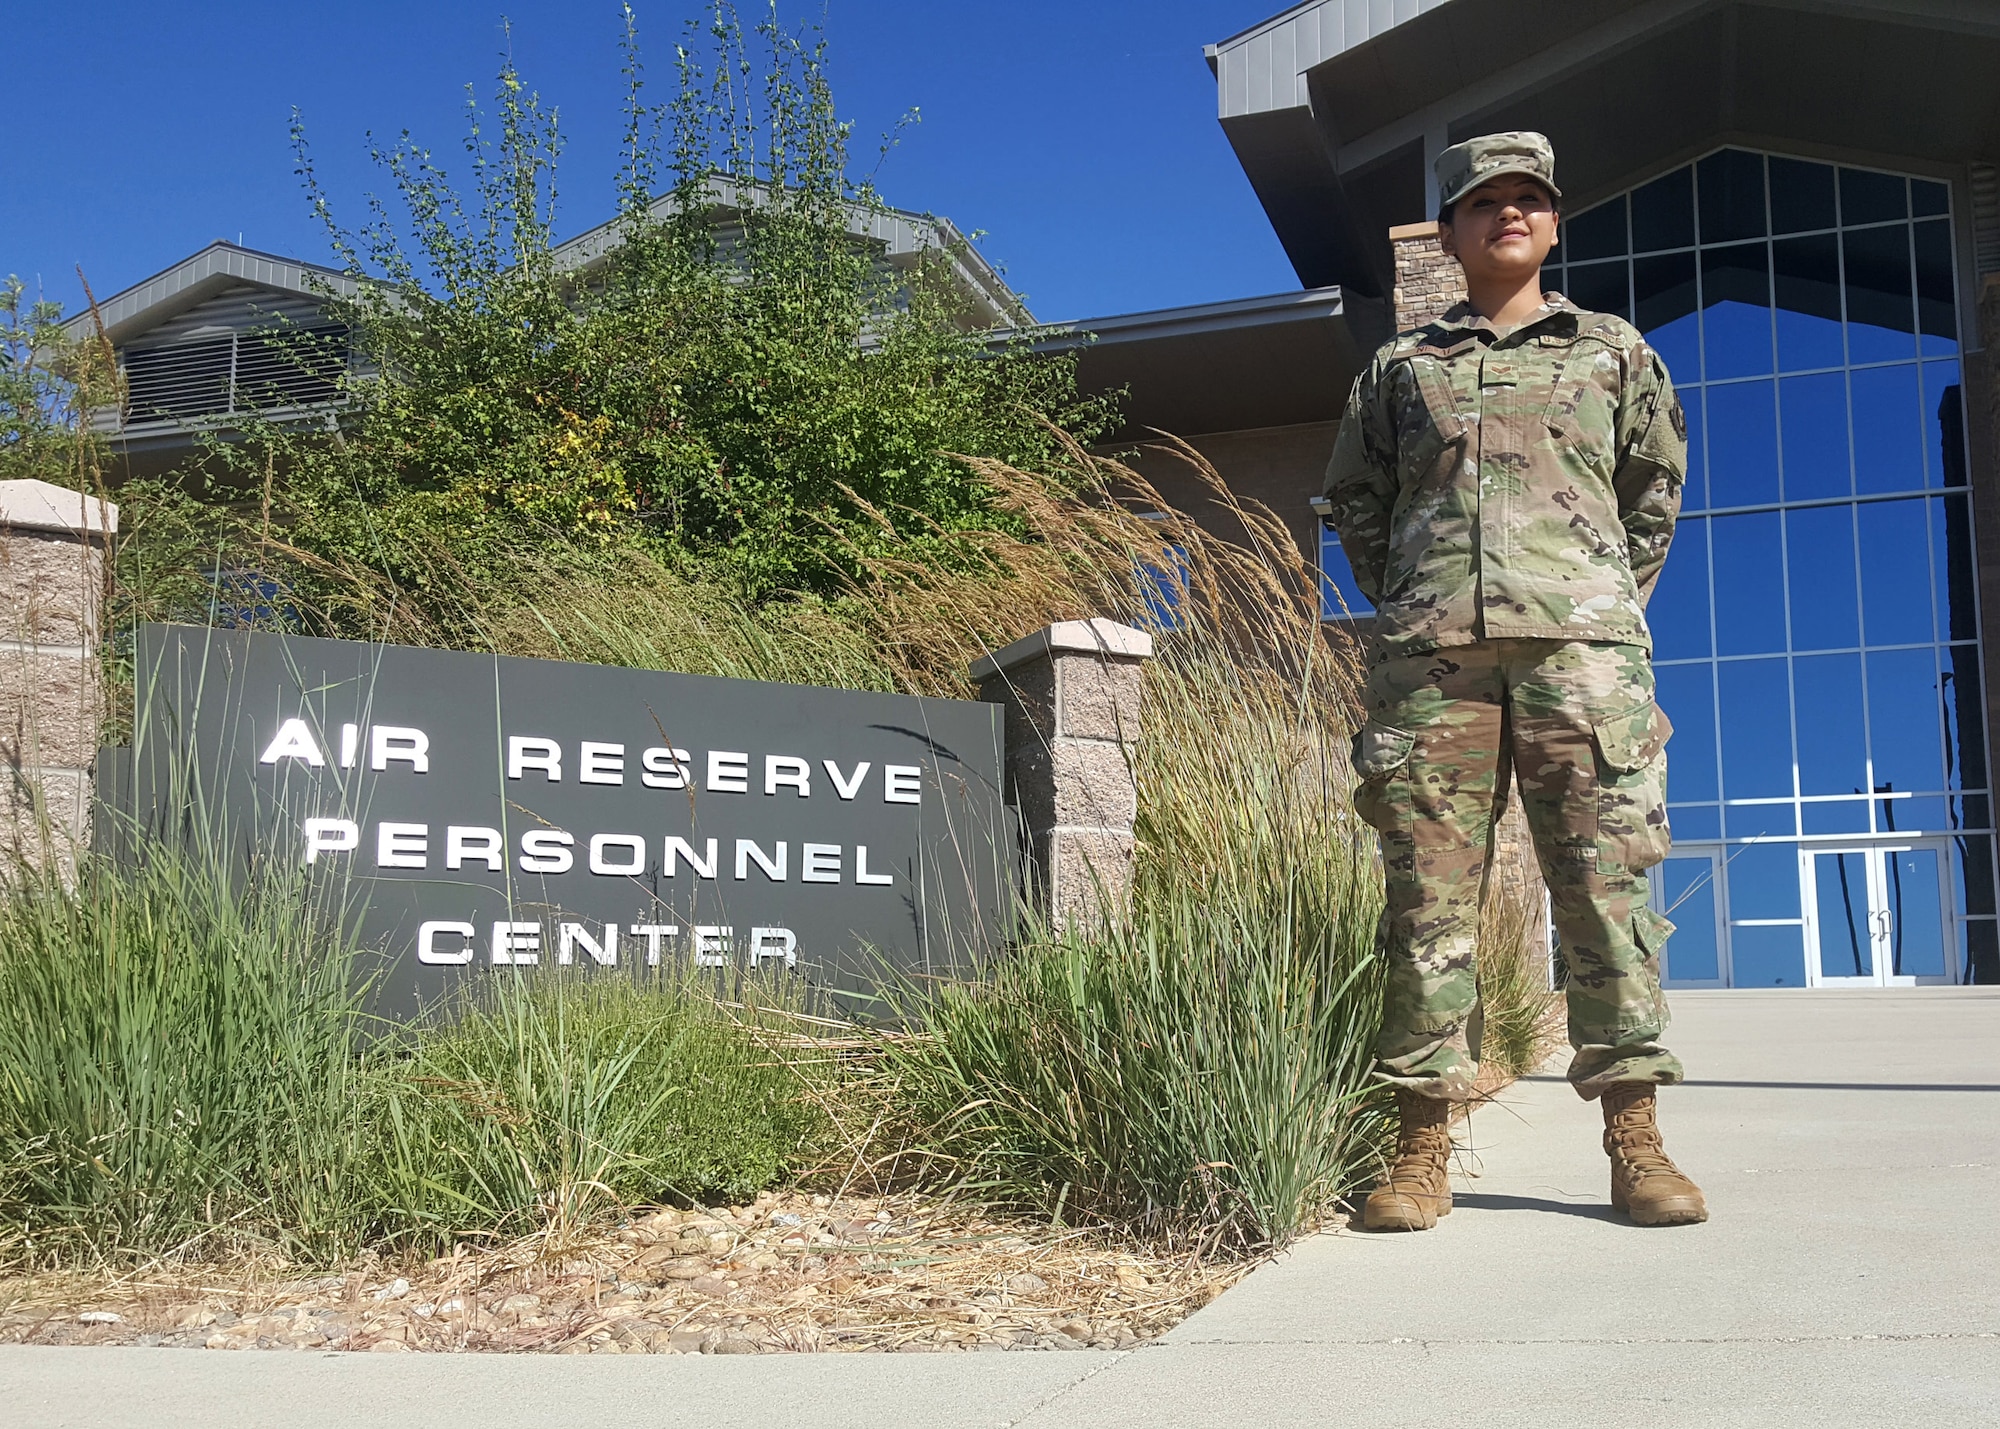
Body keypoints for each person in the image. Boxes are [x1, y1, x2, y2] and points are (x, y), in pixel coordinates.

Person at [1323, 132, 1706, 1230]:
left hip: (1582, 664)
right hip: (1431, 667)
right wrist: (1416, 596)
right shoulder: (1400, 371)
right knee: (1424, 906)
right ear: (1446, 231)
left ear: (1551, 220)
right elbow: (1356, 502)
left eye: (1527, 198)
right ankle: (1417, 1150)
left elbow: (1652, 494)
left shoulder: (1611, 351)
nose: (1507, 214)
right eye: (1483, 200)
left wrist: (1590, 598)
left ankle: (1634, 1141)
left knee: (1605, 898)